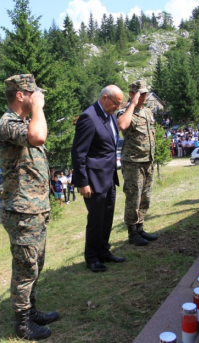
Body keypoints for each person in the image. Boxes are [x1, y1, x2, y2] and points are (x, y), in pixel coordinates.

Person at [0, 74, 58, 340]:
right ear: (20, 95)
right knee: (25, 267)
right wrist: (38, 108)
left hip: (34, 209)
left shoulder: (23, 121)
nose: (38, 97)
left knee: (35, 263)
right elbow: (38, 137)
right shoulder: (7, 123)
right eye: (33, 93)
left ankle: (31, 311)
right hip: (21, 211)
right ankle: (22, 324)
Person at [71, 85, 126, 273]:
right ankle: (92, 258)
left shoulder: (109, 114)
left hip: (109, 176)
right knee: (96, 220)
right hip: (93, 179)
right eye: (116, 103)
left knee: (107, 217)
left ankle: (103, 251)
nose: (117, 108)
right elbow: (79, 153)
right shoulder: (88, 117)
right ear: (104, 98)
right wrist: (82, 182)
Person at [117, 80, 159, 247]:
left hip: (148, 161)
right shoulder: (126, 112)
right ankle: (132, 232)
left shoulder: (148, 112)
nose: (144, 96)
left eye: (145, 93)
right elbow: (122, 125)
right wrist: (131, 105)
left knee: (145, 197)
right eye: (141, 93)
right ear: (132, 94)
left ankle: (140, 227)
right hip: (133, 163)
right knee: (133, 198)